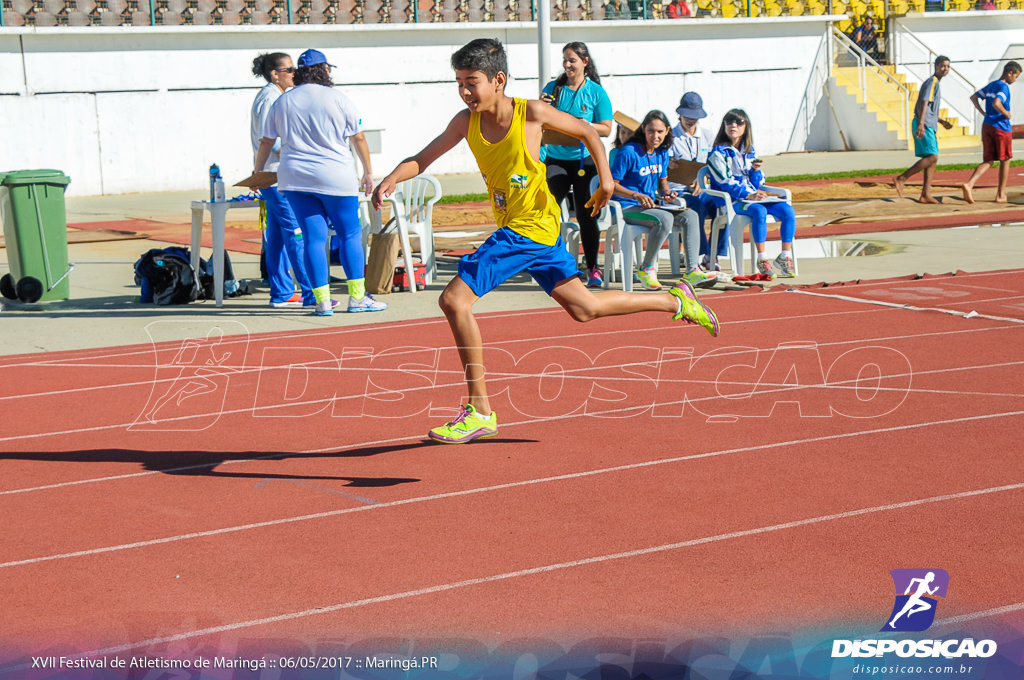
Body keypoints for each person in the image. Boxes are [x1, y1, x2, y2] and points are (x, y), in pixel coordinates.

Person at [371, 38, 721, 444]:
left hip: (528, 228)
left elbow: (590, 130)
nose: (465, 92)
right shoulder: (464, 122)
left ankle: (480, 410)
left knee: (453, 300)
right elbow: (423, 157)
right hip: (538, 228)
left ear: (498, 80)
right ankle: (675, 300)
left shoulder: (531, 112)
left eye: (472, 82)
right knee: (584, 307)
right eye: (460, 83)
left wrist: (606, 180)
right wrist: (393, 177)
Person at [255, 48, 385, 317]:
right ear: (323, 70)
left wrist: (257, 171)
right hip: (335, 176)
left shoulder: (283, 101)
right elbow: (358, 138)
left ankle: (322, 302)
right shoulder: (338, 98)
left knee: (314, 238)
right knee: (349, 234)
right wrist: (368, 172)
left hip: (294, 178)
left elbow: (267, 140)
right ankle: (357, 297)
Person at [612, 110, 717, 291]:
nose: (656, 136)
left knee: (691, 216)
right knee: (665, 219)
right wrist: (636, 195)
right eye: (651, 131)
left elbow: (662, 184)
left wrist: (668, 194)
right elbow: (612, 185)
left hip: (652, 206)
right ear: (643, 129)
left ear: (667, 131)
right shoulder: (628, 152)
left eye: (660, 132)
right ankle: (646, 268)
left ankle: (693, 270)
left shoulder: (661, 153)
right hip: (627, 207)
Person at [541, 42, 614, 289]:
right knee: (547, 209)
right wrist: (542, 106)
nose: (567, 64)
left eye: (572, 60)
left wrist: (586, 125)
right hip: (556, 160)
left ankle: (592, 267)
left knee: (586, 215)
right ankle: (549, 263)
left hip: (585, 162)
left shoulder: (596, 92)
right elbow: (538, 120)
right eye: (564, 60)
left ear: (585, 62)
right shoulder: (554, 88)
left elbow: (606, 128)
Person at [250, 52, 316, 309]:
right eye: (289, 70)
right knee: (295, 232)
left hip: (274, 174)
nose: (295, 74)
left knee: (277, 235)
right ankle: (311, 293)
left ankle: (281, 291)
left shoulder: (276, 96)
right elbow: (271, 140)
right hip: (276, 175)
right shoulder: (270, 98)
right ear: (274, 73)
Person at [707, 108, 797, 279]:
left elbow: (757, 184)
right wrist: (748, 195)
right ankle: (762, 258)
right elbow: (724, 183)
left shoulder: (749, 151)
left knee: (787, 210)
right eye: (729, 122)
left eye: (738, 122)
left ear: (745, 126)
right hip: (731, 202)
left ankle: (785, 256)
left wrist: (755, 171)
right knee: (759, 211)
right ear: (724, 126)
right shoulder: (718, 153)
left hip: (751, 198)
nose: (733, 125)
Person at [667, 91, 723, 271]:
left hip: (701, 189)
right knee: (696, 207)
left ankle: (714, 254)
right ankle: (701, 253)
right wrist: (670, 164)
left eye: (695, 117)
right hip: (679, 190)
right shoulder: (670, 137)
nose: (691, 120)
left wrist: (703, 178)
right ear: (680, 114)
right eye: (687, 116)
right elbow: (663, 166)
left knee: (721, 205)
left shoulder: (707, 135)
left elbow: (713, 163)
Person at [894, 56, 954, 204]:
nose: (945, 69)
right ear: (935, 66)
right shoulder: (932, 81)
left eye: (947, 66)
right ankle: (902, 178)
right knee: (933, 157)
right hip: (924, 124)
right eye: (942, 66)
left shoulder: (935, 83)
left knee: (931, 161)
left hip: (928, 123)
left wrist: (940, 121)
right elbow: (924, 102)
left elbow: (929, 108)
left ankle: (925, 194)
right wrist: (921, 124)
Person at [961, 61, 1020, 204]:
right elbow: (997, 103)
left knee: (988, 160)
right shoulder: (1003, 87)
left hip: (987, 125)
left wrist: (983, 112)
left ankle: (970, 184)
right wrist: (1006, 113)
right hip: (1001, 128)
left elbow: (974, 97)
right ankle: (1000, 194)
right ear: (1009, 73)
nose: (1015, 79)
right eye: (1016, 76)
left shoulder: (991, 85)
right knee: (1005, 160)